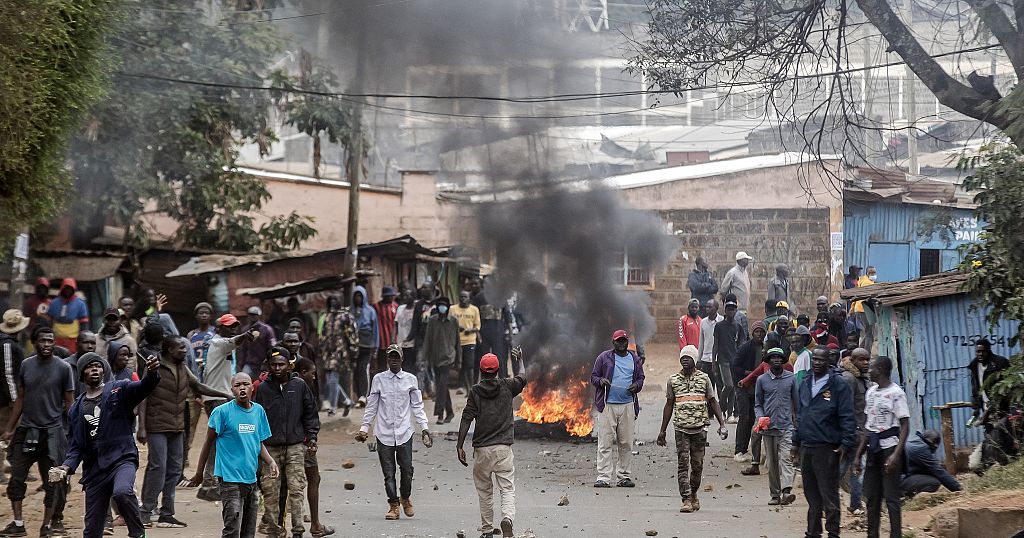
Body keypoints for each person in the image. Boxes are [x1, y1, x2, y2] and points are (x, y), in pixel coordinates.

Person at [56, 352, 160, 538]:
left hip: (122, 458)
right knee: (92, 530)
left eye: (97, 365)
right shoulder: (75, 409)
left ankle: (137, 532)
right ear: (82, 374)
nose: (94, 369)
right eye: (89, 367)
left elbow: (145, 387)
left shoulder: (119, 389)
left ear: (103, 370)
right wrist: (65, 467)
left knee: (122, 492)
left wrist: (151, 373)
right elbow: (75, 447)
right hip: (94, 470)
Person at [138, 336, 231, 529]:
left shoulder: (182, 367)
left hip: (177, 426)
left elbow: (198, 386)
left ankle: (167, 514)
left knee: (174, 470)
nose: (185, 351)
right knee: (158, 467)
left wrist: (225, 394)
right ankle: (146, 512)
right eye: (181, 348)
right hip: (157, 426)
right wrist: (142, 427)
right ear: (169, 350)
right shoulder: (154, 367)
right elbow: (143, 396)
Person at [0, 327, 74, 537]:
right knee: (16, 479)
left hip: (52, 433)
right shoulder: (26, 365)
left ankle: (47, 526)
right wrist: (9, 429)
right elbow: (21, 399)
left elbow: (69, 403)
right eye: (42, 340)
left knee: (53, 483)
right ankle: (18, 523)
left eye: (50, 341)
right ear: (34, 342)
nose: (47, 344)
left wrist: (76, 431)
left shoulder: (63, 368)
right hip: (27, 431)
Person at [187, 372, 279, 538]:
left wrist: (271, 461)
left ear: (252, 387)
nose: (242, 388)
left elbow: (258, 442)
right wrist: (200, 473)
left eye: (246, 384)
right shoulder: (221, 412)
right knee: (232, 529)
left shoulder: (258, 412)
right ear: (232, 389)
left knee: (248, 531)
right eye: (237, 385)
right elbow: (208, 443)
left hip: (251, 479)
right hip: (229, 480)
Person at [355, 345, 432, 520]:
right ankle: (393, 505)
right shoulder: (378, 380)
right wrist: (364, 428)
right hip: (384, 433)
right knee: (388, 473)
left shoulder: (411, 380)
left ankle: (405, 498)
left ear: (402, 359)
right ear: (387, 360)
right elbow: (372, 406)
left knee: (407, 469)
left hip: (405, 432)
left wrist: (425, 428)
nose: (394, 360)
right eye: (391, 357)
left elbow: (417, 406)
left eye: (397, 357)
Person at [457, 351, 527, 538]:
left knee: (485, 492)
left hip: (482, 450)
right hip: (503, 449)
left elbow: (466, 418)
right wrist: (519, 360)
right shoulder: (508, 386)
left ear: (481, 371)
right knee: (507, 488)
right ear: (497, 371)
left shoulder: (475, 391)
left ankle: (487, 530)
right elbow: (523, 377)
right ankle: (507, 519)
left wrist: (460, 446)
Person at [254, 347, 320, 538]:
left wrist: (312, 438)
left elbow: (310, 414)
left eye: (281, 364)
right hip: (270, 448)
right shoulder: (263, 389)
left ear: (289, 365)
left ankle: (298, 530)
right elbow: (257, 418)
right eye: (273, 364)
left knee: (296, 488)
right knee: (271, 490)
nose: (277, 368)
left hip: (295, 446)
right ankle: (274, 529)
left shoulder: (299, 385)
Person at [792, 348, 856, 538]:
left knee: (828, 493)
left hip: (828, 447)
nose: (817, 363)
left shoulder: (838, 384)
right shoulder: (805, 382)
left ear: (829, 361)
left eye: (821, 360)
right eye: (815, 360)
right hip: (807, 446)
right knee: (811, 494)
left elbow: (847, 416)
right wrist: (795, 442)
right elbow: (801, 415)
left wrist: (846, 443)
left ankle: (833, 532)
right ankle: (813, 532)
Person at [656, 345, 728, 513]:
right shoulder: (673, 380)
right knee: (683, 465)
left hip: (700, 429)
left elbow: (713, 401)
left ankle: (694, 494)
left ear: (695, 360)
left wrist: (722, 424)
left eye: (688, 357)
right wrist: (662, 431)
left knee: (697, 466)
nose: (685, 360)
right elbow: (668, 405)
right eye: (683, 357)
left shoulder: (704, 379)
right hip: (681, 428)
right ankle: (686, 499)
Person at [196, 314, 258, 503]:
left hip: (217, 397)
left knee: (217, 441)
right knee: (219, 441)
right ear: (219, 327)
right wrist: (246, 335)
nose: (233, 329)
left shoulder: (221, 344)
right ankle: (210, 483)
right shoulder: (218, 342)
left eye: (235, 326)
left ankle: (209, 484)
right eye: (229, 326)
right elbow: (235, 340)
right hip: (218, 398)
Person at [854, 356, 910, 538]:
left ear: (880, 370)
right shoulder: (871, 392)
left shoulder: (896, 393)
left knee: (892, 498)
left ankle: (895, 534)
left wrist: (896, 455)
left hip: (889, 448)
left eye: (871, 368)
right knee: (872, 497)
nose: (868, 370)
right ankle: (872, 534)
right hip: (873, 448)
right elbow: (867, 427)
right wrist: (858, 455)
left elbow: (904, 426)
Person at [591, 330, 645, 488]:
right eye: (618, 341)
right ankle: (603, 477)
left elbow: (641, 378)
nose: (621, 344)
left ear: (627, 342)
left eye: (624, 341)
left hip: (628, 405)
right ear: (613, 342)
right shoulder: (604, 357)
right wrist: (601, 381)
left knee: (626, 443)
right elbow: (593, 377)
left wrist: (637, 386)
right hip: (608, 406)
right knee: (605, 442)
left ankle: (624, 477)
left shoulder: (634, 359)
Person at [293, 359, 335, 538]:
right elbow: (309, 418)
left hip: (299, 441)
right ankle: (314, 526)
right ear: (303, 372)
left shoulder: (295, 387)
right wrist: (310, 439)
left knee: (305, 481)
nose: (314, 376)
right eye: (312, 372)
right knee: (309, 480)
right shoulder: (300, 388)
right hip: (300, 443)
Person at [754, 348, 799, 506]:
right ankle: (775, 494)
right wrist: (760, 418)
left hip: (786, 426)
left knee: (786, 459)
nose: (776, 360)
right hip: (768, 428)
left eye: (779, 357)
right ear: (768, 361)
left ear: (783, 360)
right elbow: (758, 404)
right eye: (772, 357)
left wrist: (797, 423)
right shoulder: (762, 380)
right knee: (772, 463)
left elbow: (796, 403)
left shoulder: (791, 379)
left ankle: (786, 491)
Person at [838, 348, 870, 516]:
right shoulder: (849, 379)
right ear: (853, 360)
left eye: (867, 360)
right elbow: (846, 408)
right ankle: (824, 499)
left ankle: (855, 504)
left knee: (854, 468)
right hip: (852, 433)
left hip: (860, 433)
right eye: (861, 360)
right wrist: (848, 433)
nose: (865, 363)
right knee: (845, 469)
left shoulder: (862, 378)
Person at [185, 302, 216, 467]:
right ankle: (186, 453)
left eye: (206, 313)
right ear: (196, 316)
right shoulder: (191, 335)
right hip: (194, 379)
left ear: (211, 316)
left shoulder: (215, 333)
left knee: (216, 419)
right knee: (191, 419)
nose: (203, 315)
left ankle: (215, 456)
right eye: (200, 313)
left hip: (211, 379)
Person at [422, 297, 461, 425]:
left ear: (448, 307)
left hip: (448, 358)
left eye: (444, 305)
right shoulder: (432, 321)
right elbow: (427, 340)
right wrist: (424, 358)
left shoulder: (454, 321)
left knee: (441, 386)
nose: (442, 307)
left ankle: (439, 414)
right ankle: (449, 412)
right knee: (442, 386)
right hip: (435, 358)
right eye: (440, 305)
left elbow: (457, 342)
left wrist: (459, 361)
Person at [733, 321, 765, 464]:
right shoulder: (745, 348)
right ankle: (739, 450)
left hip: (757, 389)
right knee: (744, 418)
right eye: (757, 332)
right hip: (743, 387)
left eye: (761, 332)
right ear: (752, 333)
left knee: (753, 419)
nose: (759, 334)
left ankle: (747, 450)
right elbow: (735, 367)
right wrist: (749, 374)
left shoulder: (765, 349)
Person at [318, 295, 356, 416]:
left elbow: (352, 335)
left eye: (335, 301)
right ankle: (346, 401)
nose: (333, 303)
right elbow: (323, 334)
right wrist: (322, 349)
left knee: (333, 378)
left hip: (341, 352)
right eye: (331, 301)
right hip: (328, 352)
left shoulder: (346, 316)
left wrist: (354, 353)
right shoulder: (328, 317)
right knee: (330, 381)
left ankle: (333, 408)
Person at [0, 309, 28, 476]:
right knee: (6, 431)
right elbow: (8, 373)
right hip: (5, 399)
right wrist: (14, 398)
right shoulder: (7, 345)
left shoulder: (8, 342)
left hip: (6, 396)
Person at [713, 299, 746, 424]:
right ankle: (722, 406)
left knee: (732, 388)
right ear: (725, 311)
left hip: (734, 361)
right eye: (728, 309)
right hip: (723, 360)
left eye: (733, 309)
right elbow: (715, 345)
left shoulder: (738, 326)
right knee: (729, 385)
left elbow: (741, 344)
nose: (731, 311)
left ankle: (730, 414)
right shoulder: (719, 326)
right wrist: (714, 363)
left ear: (735, 310)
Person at [901, 430, 962, 496]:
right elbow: (938, 472)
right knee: (934, 482)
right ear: (934, 445)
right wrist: (959, 489)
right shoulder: (921, 449)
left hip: (898, 478)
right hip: (900, 480)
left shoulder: (915, 442)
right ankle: (906, 497)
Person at [349, 285, 379, 407]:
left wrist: (376, 346)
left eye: (360, 296)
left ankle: (363, 396)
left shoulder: (370, 311)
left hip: (366, 344)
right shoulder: (350, 311)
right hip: (353, 344)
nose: (358, 299)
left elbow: (375, 329)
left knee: (363, 368)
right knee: (355, 370)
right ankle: (356, 395)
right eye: (356, 296)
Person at [968, 338, 1010, 423]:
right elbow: (975, 389)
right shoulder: (974, 366)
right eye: (978, 352)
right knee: (989, 434)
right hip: (985, 410)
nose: (980, 354)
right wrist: (976, 409)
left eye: (983, 351)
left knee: (1002, 433)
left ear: (989, 351)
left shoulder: (1000, 363)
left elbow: (1008, 387)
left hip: (1001, 410)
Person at [46, 278, 89, 353]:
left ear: (74, 290)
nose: (68, 291)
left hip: (73, 340)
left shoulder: (80, 304)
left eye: (70, 289)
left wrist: (82, 340)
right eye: (66, 288)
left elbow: (84, 324)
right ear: (62, 288)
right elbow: (49, 322)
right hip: (57, 339)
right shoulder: (54, 303)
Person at [450, 290, 481, 392]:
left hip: (470, 341)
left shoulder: (474, 310)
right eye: (461, 297)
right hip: (456, 341)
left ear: (469, 299)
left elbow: (477, 326)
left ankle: (471, 388)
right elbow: (449, 323)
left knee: (469, 365)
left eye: (465, 297)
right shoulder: (452, 309)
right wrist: (456, 327)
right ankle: (460, 386)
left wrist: (470, 330)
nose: (463, 299)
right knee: (459, 364)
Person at [238, 306, 275, 379]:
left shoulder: (267, 329)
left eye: (255, 315)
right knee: (243, 379)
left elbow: (272, 348)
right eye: (251, 314)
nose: (252, 317)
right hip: (249, 363)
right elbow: (243, 348)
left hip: (264, 363)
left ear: (259, 316)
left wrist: (269, 362)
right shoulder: (245, 330)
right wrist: (240, 364)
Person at [374, 287, 399, 375]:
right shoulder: (376, 307)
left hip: (394, 342)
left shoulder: (396, 306)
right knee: (381, 366)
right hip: (381, 342)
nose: (391, 298)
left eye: (392, 296)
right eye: (389, 296)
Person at [696, 299, 722, 377]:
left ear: (716, 308)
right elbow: (701, 342)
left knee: (719, 385)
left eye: (710, 307)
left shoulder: (722, 321)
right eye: (706, 307)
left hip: (718, 359)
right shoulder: (703, 322)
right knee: (707, 385)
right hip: (706, 358)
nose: (707, 309)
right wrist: (699, 359)